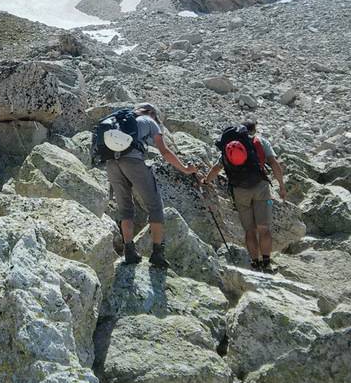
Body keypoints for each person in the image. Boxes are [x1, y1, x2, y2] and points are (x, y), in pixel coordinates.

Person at [104, 102, 201, 268]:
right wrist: (185, 169)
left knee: (125, 208)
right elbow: (164, 151)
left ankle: (129, 252)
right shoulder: (149, 121)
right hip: (133, 162)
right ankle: (157, 253)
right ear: (151, 113)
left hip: (111, 163)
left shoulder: (118, 120)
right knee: (155, 206)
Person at [201, 119, 287, 272]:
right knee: (264, 228)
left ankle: (255, 264)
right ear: (253, 130)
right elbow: (274, 164)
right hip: (260, 187)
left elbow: (217, 168)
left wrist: (206, 181)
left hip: (239, 191)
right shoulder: (260, 142)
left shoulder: (231, 147)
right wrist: (281, 185)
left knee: (249, 230)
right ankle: (266, 264)